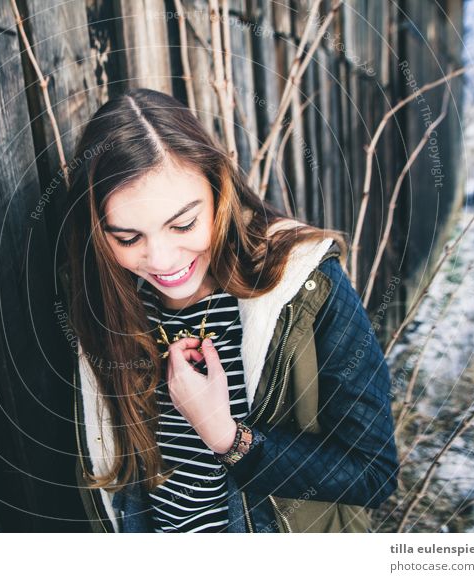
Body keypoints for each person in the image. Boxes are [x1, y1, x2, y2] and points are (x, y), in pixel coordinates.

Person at [56, 88, 398, 533]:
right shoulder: (106, 298)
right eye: (127, 238)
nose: (161, 259)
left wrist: (227, 437)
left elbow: (374, 472)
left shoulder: (304, 285)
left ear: (219, 189)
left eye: (183, 224)